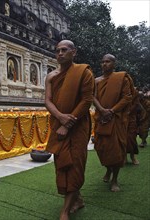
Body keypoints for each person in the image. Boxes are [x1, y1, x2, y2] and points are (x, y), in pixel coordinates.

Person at [45, 40, 94, 220]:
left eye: (64, 50)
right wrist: (61, 118)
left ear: (74, 52)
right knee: (62, 162)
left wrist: (68, 124)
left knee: (75, 164)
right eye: (57, 50)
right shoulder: (51, 76)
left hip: (78, 125)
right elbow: (48, 101)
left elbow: (86, 100)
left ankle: (64, 211)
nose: (60, 53)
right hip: (58, 124)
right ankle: (77, 198)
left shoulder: (84, 72)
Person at [93, 54, 133, 192]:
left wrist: (112, 111)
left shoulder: (122, 78)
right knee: (101, 148)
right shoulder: (97, 80)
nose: (105, 64)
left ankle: (115, 179)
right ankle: (108, 170)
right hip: (101, 119)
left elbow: (127, 97)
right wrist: (102, 110)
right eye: (103, 62)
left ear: (114, 64)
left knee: (116, 150)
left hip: (116, 119)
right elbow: (93, 96)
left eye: (108, 61)